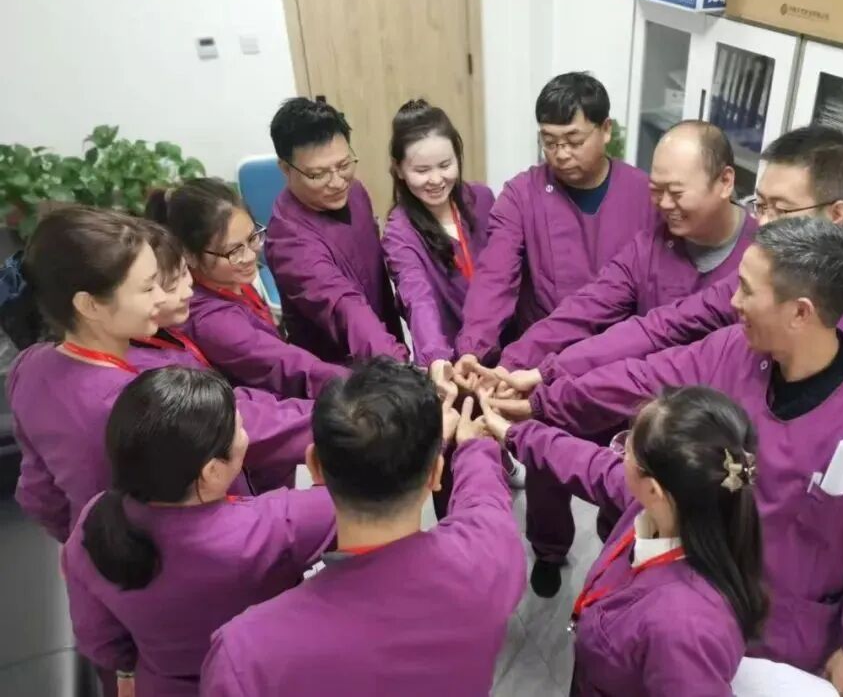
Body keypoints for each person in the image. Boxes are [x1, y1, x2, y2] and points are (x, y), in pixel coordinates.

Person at [499, 218, 843, 697]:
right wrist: (543, 399)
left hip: (780, 634)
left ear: (800, 312)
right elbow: (642, 379)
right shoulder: (735, 351)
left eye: (747, 290)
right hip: (685, 590)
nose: (733, 302)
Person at [500, 126, 843, 441]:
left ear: (837, 213)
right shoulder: (759, 275)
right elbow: (661, 331)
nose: (764, 222)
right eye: (762, 204)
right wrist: (546, 374)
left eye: (781, 208)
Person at [493, 119, 756, 597]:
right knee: (566, 460)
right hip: (622, 393)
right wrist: (515, 364)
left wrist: (546, 380)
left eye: (676, 192)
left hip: (696, 439)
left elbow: (662, 333)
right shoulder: (656, 239)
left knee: (644, 534)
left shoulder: (758, 266)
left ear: (724, 182)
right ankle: (553, 551)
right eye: (656, 191)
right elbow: (592, 305)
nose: (664, 204)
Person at [200, 359, 526, 696]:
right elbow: (485, 506)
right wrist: (475, 448)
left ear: (314, 466)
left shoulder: (247, 655)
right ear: (435, 474)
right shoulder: (490, 562)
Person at [62, 367, 336, 697]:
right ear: (212, 471)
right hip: (259, 681)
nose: (246, 434)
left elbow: (99, 639)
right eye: (240, 428)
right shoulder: (274, 526)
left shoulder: (93, 522)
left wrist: (125, 670)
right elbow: (365, 504)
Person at [479, 386, 767, 696]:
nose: (618, 454)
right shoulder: (671, 510)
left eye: (627, 448)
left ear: (654, 489)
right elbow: (590, 464)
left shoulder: (685, 630)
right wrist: (514, 433)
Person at [452, 72, 656, 370]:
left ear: (606, 130)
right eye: (549, 142)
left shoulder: (644, 195)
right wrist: (473, 348)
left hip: (618, 362)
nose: (561, 154)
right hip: (538, 357)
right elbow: (495, 276)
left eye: (574, 141)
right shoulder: (521, 195)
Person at [10, 207, 167, 541]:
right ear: (89, 305)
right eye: (148, 288)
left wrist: (77, 547)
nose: (162, 297)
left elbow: (38, 492)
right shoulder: (133, 404)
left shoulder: (28, 366)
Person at [127, 221, 316, 491]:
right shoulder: (202, 327)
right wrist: (339, 413)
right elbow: (234, 416)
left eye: (184, 273)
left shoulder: (167, 328)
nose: (187, 290)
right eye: (168, 286)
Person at [147, 178, 349, 400]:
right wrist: (357, 386)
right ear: (190, 256)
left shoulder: (228, 278)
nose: (251, 256)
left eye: (252, 237)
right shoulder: (214, 323)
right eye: (234, 250)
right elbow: (288, 365)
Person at [266, 97, 408, 364]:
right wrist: (400, 366)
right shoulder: (288, 241)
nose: (337, 183)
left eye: (344, 165)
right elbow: (345, 308)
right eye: (318, 174)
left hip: (386, 344)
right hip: (342, 370)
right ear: (285, 168)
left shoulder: (355, 191)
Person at [382, 100, 494, 372]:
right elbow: (417, 298)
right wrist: (437, 359)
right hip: (453, 365)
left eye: (445, 165)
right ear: (399, 169)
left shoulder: (481, 199)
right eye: (422, 171)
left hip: (506, 350)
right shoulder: (400, 232)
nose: (436, 180)